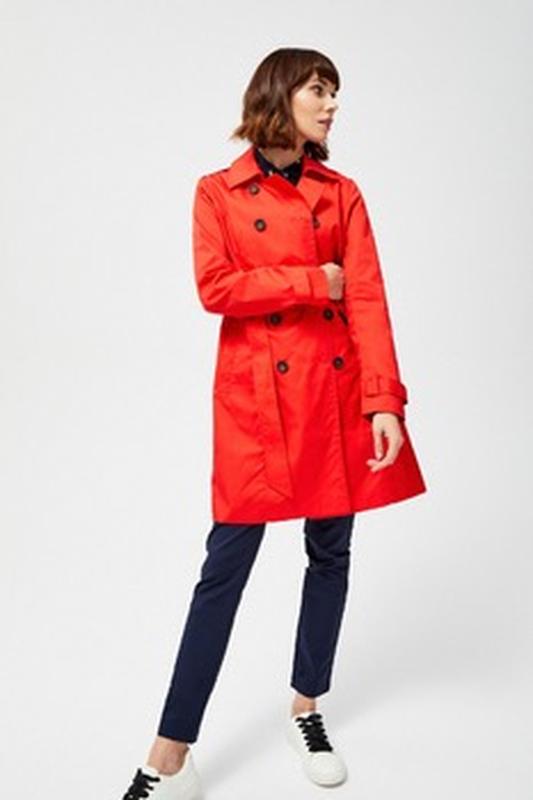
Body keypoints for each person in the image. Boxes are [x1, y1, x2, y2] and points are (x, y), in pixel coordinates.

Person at [120, 47, 427, 800]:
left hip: (332, 394)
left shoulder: (342, 194)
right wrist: (311, 279)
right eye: (318, 90)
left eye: (334, 92)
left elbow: (367, 300)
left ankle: (306, 708)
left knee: (331, 553)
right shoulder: (216, 192)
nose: (331, 104)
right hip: (256, 405)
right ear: (279, 95)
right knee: (223, 570)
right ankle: (169, 752)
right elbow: (216, 287)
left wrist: (383, 401)